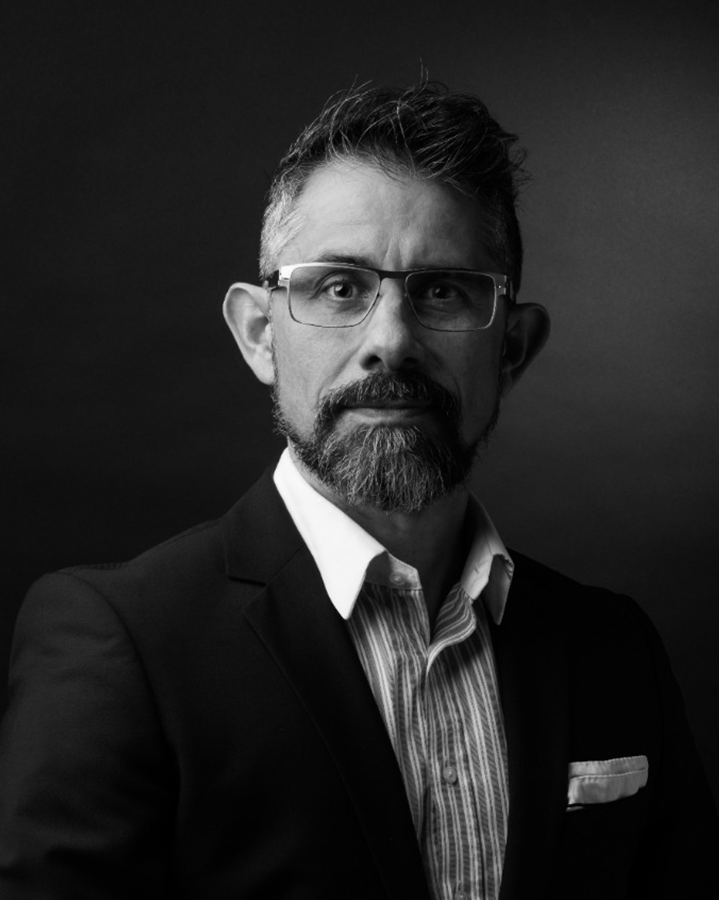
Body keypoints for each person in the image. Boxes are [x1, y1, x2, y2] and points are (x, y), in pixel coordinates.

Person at [0, 82, 716, 900]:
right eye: (339, 287)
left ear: (512, 349)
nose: (391, 341)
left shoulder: (614, 647)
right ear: (259, 335)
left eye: (442, 290)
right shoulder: (120, 641)